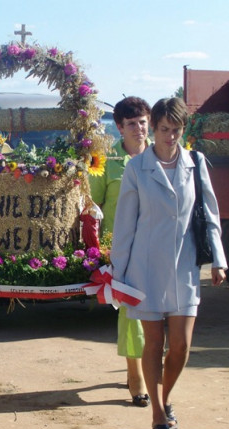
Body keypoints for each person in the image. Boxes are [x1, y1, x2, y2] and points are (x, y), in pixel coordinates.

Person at [111, 97, 227, 429]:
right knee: (154, 342)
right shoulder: (136, 168)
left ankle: (166, 396)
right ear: (155, 127)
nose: (170, 136)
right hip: (145, 269)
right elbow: (125, 226)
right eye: (164, 129)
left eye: (176, 130)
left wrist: (218, 259)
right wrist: (118, 273)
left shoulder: (197, 162)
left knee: (181, 345)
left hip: (185, 265)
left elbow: (210, 214)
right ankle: (158, 415)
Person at [89, 96, 151, 407]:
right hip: (122, 250)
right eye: (131, 124)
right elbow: (93, 206)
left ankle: (150, 365)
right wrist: (98, 247)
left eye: (143, 122)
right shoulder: (107, 163)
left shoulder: (162, 156)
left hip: (158, 247)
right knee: (131, 312)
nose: (139, 129)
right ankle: (136, 374)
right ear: (119, 127)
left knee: (160, 312)